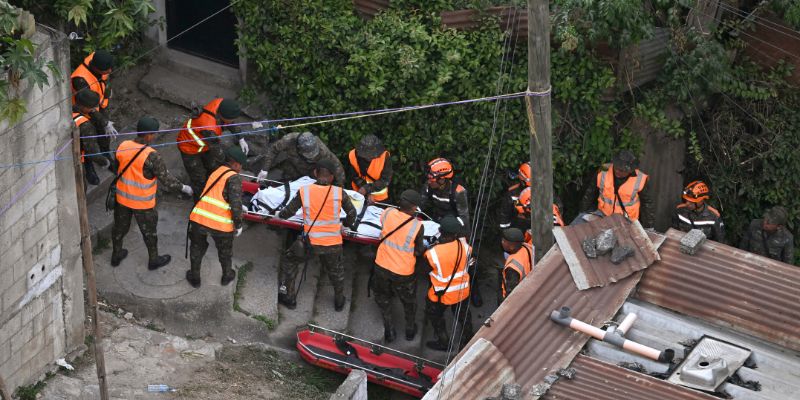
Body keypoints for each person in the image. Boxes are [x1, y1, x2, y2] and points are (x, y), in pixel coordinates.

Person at [111, 117, 194, 269]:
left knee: (119, 228)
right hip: (142, 203)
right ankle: (154, 260)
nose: (155, 136)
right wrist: (184, 188)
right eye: (154, 134)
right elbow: (166, 179)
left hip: (122, 199)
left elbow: (116, 167)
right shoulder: (152, 155)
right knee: (149, 233)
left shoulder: (122, 145)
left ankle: (116, 255)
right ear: (149, 135)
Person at [277, 159, 358, 310]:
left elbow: (287, 212)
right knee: (336, 272)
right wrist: (344, 225)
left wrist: (278, 214)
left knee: (290, 261)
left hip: (310, 243)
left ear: (315, 173)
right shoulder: (339, 193)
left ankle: (289, 298)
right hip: (333, 244)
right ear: (332, 177)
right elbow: (353, 214)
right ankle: (339, 302)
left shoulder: (304, 191)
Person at [186, 146, 246, 288]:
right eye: (241, 165)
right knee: (225, 252)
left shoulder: (216, 172)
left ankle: (195, 278)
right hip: (220, 224)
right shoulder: (234, 177)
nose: (241, 169)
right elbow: (235, 205)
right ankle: (227, 275)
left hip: (199, 219)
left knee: (196, 248)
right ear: (235, 163)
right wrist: (238, 225)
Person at [372, 190, 425, 343]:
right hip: (403, 272)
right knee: (408, 301)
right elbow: (419, 250)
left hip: (381, 265)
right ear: (414, 208)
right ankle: (409, 330)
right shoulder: (417, 226)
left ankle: (389, 330)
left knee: (382, 297)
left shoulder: (387, 213)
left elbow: (385, 228)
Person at [177, 98, 244, 202]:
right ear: (223, 116)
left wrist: (240, 137)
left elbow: (230, 122)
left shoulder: (222, 104)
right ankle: (200, 202)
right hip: (189, 147)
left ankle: (212, 189)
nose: (232, 121)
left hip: (204, 145)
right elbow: (217, 151)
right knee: (199, 179)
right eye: (230, 119)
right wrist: (228, 163)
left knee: (213, 167)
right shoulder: (209, 127)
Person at [424, 216, 474, 351]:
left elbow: (425, 270)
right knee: (464, 317)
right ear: (456, 233)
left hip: (440, 295)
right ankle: (468, 342)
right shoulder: (466, 248)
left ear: (440, 230)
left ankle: (444, 343)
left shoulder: (432, 253)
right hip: (462, 292)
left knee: (436, 317)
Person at [579, 150, 654, 228]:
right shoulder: (603, 170)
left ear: (630, 171)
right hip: (604, 216)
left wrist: (649, 227)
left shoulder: (640, 179)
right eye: (616, 168)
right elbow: (590, 193)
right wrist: (582, 212)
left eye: (622, 170)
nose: (617, 171)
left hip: (627, 221)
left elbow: (647, 204)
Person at [71, 49, 117, 170]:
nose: (110, 71)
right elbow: (87, 105)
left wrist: (107, 91)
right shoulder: (80, 79)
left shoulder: (100, 59)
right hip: (85, 111)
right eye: (106, 70)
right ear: (97, 69)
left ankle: (106, 154)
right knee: (88, 140)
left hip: (98, 105)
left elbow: (105, 80)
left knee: (104, 135)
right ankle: (89, 165)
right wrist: (104, 122)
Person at [257, 131, 346, 185]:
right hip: (292, 169)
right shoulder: (289, 140)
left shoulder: (322, 150)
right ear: (299, 148)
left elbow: (337, 167)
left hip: (311, 175)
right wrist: (265, 169)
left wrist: (339, 188)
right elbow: (273, 150)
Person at [420, 158, 470, 230]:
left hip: (452, 227)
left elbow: (464, 219)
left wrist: (446, 228)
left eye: (432, 179)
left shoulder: (458, 192)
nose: (429, 181)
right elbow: (420, 205)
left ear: (442, 180)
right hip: (436, 222)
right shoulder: (428, 185)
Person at [73, 90, 106, 185]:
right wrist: (103, 161)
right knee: (81, 184)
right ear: (83, 107)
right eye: (92, 107)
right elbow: (92, 151)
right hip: (77, 156)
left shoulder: (69, 111)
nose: (94, 109)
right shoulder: (85, 125)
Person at [348, 134, 392, 202]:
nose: (370, 157)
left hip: (378, 197)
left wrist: (367, 189)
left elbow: (385, 180)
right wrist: (365, 191)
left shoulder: (385, 157)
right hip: (358, 193)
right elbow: (354, 176)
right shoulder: (353, 155)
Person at [499, 228, 533, 300]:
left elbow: (511, 293)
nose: (502, 242)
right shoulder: (526, 247)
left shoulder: (512, 268)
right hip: (528, 285)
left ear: (512, 246)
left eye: (504, 241)